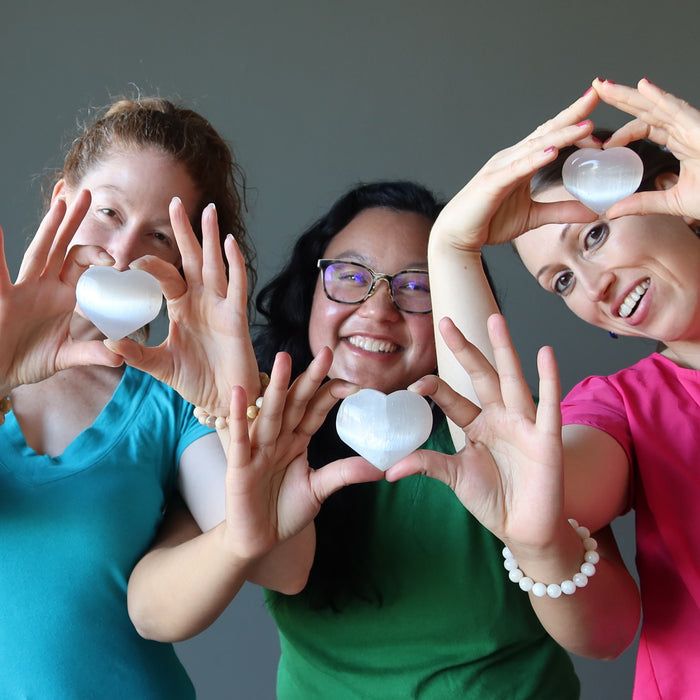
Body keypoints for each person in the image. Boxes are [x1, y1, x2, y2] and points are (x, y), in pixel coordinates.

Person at [0, 96, 374, 698]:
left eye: (156, 235)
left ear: (186, 258)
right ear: (62, 202)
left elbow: (283, 564)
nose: (122, 253)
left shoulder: (172, 403)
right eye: (108, 213)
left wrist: (233, 395)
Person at [390, 78, 700, 699]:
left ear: (674, 194)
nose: (593, 286)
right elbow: (546, 487)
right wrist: (450, 248)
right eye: (560, 282)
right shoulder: (622, 410)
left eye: (594, 235)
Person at [251, 180, 580, 698]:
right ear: (309, 291)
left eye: (417, 286)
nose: (379, 308)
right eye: (351, 276)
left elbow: (597, 636)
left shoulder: (518, 439)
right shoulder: (259, 431)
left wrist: (542, 544)